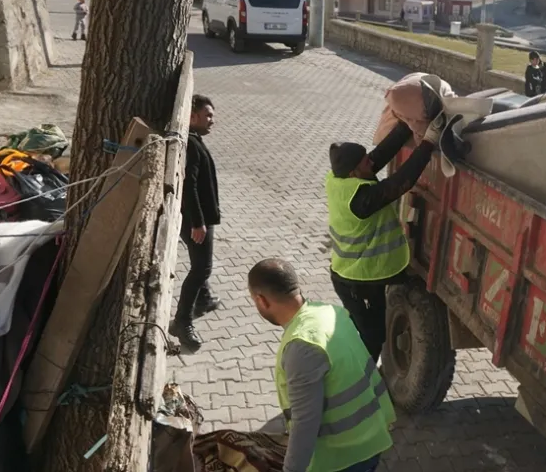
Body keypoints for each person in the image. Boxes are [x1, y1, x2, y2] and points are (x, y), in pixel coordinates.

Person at [248, 258, 395, 472]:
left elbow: (305, 424)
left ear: (261, 300)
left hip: (344, 457)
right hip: (372, 436)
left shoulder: (301, 347)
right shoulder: (330, 312)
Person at [327, 114, 444, 361]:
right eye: (365, 162)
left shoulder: (340, 178)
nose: (371, 162)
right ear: (353, 172)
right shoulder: (361, 201)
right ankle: (358, 379)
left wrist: (406, 124)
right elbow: (402, 182)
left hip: (363, 274)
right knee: (371, 338)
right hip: (357, 279)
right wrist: (428, 143)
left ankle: (358, 368)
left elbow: (379, 155)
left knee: (372, 329)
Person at [169, 94, 222, 351]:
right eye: (208, 115)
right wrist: (198, 222)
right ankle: (182, 322)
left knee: (200, 264)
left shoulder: (193, 140)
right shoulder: (190, 144)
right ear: (192, 116)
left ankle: (204, 298)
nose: (213, 120)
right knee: (201, 268)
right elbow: (188, 185)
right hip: (196, 220)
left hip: (196, 218)